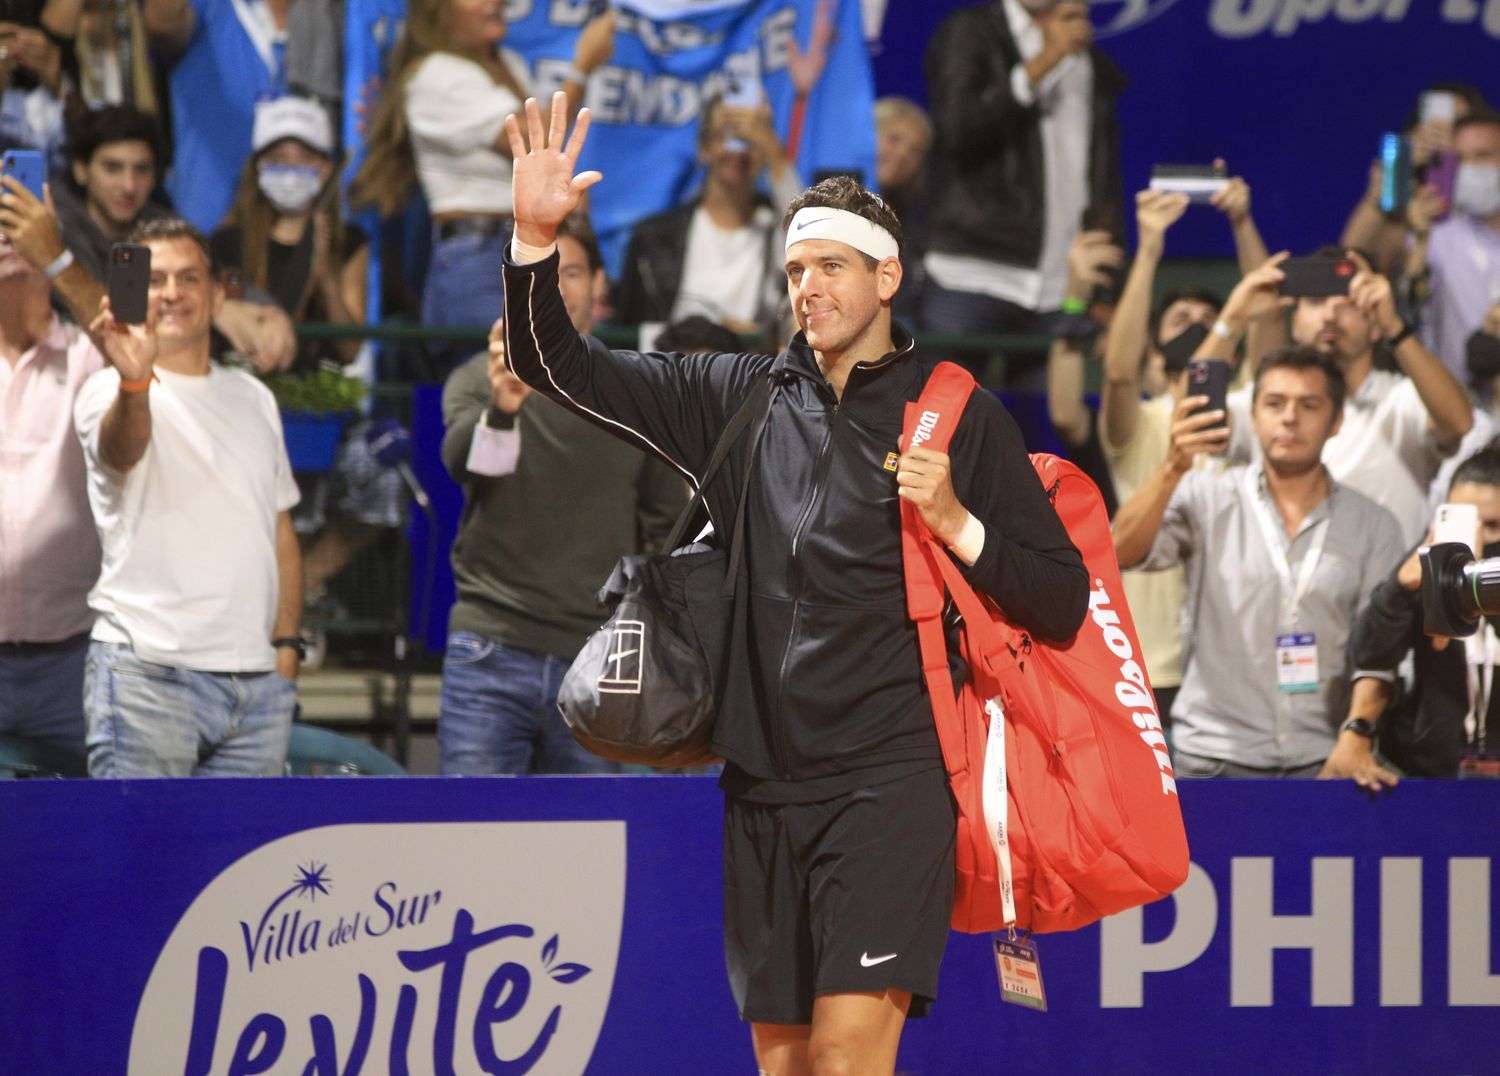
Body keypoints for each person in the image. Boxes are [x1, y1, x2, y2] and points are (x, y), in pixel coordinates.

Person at [501, 93, 1087, 1074]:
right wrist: (530, 236)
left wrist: (960, 524)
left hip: (892, 786)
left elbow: (1059, 598)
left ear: (886, 276)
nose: (806, 287)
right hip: (763, 782)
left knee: (850, 1060)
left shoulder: (958, 415)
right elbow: (552, 363)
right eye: (795, 270)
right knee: (787, 1066)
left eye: (830, 268)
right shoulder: (737, 398)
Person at [438, 211, 685, 776]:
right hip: (490, 650)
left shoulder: (637, 392)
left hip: (598, 662)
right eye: (541, 275)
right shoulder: (479, 378)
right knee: (466, 845)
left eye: (571, 272)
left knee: (587, 856)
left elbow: (664, 526)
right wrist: (502, 409)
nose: (556, 289)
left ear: (600, 286)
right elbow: (464, 466)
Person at [72, 218, 303, 777]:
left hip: (256, 688)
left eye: (189, 277)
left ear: (218, 292)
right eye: (154, 280)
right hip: (146, 678)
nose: (172, 292)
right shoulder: (105, 389)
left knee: (246, 865)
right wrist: (134, 380)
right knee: (141, 863)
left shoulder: (252, 396)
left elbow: (280, 535)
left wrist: (286, 655)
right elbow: (123, 447)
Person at [1113, 345, 1405, 787]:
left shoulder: (1374, 524)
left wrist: (1358, 731)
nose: (1290, 418)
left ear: (1337, 421)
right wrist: (1174, 466)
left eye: (1309, 405)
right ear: (1252, 416)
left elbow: (1380, 651)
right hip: (1211, 758)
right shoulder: (1205, 495)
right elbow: (1118, 550)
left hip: (1326, 760)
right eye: (1274, 404)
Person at [348, 0, 614, 353]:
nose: (497, 2)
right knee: (503, 378)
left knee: (549, 382)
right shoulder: (435, 73)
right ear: (437, 11)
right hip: (477, 261)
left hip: (529, 246)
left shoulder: (509, 65)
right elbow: (534, 140)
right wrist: (582, 65)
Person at [1097, 177, 1267, 724]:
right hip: (1151, 661)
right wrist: (1148, 249)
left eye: (1207, 321)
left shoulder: (1248, 409)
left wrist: (1243, 224)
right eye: (1179, 323)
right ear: (1155, 353)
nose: (1197, 331)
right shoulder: (1143, 422)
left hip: (1234, 659)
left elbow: (1270, 325)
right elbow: (1119, 372)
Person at [0, 106, 300, 374]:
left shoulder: (165, 223)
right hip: (60, 376)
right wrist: (214, 310)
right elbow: (101, 302)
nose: (128, 185)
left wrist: (267, 313)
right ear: (81, 170)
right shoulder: (52, 222)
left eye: (141, 169)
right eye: (113, 168)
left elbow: (222, 277)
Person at [1218, 247, 1473, 545]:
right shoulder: (1271, 405)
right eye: (1316, 301)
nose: (1330, 315)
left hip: (1389, 587)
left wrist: (1395, 327)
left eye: (1350, 303)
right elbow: (1192, 413)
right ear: (1295, 321)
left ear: (1375, 323)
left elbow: (1458, 424)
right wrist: (1232, 319)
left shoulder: (1402, 399)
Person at [920, 0, 1125, 358]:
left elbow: (1103, 178)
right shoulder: (972, 31)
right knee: (948, 412)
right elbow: (957, 132)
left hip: (1061, 288)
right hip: (972, 274)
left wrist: (1105, 288)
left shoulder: (1090, 61)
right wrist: (1043, 63)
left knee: (1054, 414)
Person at [0, 223, 102, 764]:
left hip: (74, 661)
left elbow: (135, 349)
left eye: (23, 231)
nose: (11, 245)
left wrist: (59, 261)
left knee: (100, 835)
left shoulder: (91, 353)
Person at [1352, 445, 1500, 778]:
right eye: (1465, 521)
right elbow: (1368, 654)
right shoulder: (1426, 570)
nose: (1476, 539)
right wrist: (1400, 588)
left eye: (1491, 526)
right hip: (1433, 774)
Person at [612, 92, 801, 336]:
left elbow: (809, 229)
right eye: (729, 134)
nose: (739, 151)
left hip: (752, 367)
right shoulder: (653, 238)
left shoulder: (777, 232)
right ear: (704, 147)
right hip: (671, 368)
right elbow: (627, 337)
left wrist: (774, 150)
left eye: (750, 138)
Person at [1419, 111, 1500, 380]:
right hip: (1458, 406)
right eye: (1460, 159)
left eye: (1483, 156)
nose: (1470, 168)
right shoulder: (1435, 233)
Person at [874, 96, 933, 327]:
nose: (902, 154)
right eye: (894, 138)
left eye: (915, 150)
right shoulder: (826, 198)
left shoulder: (914, 226)